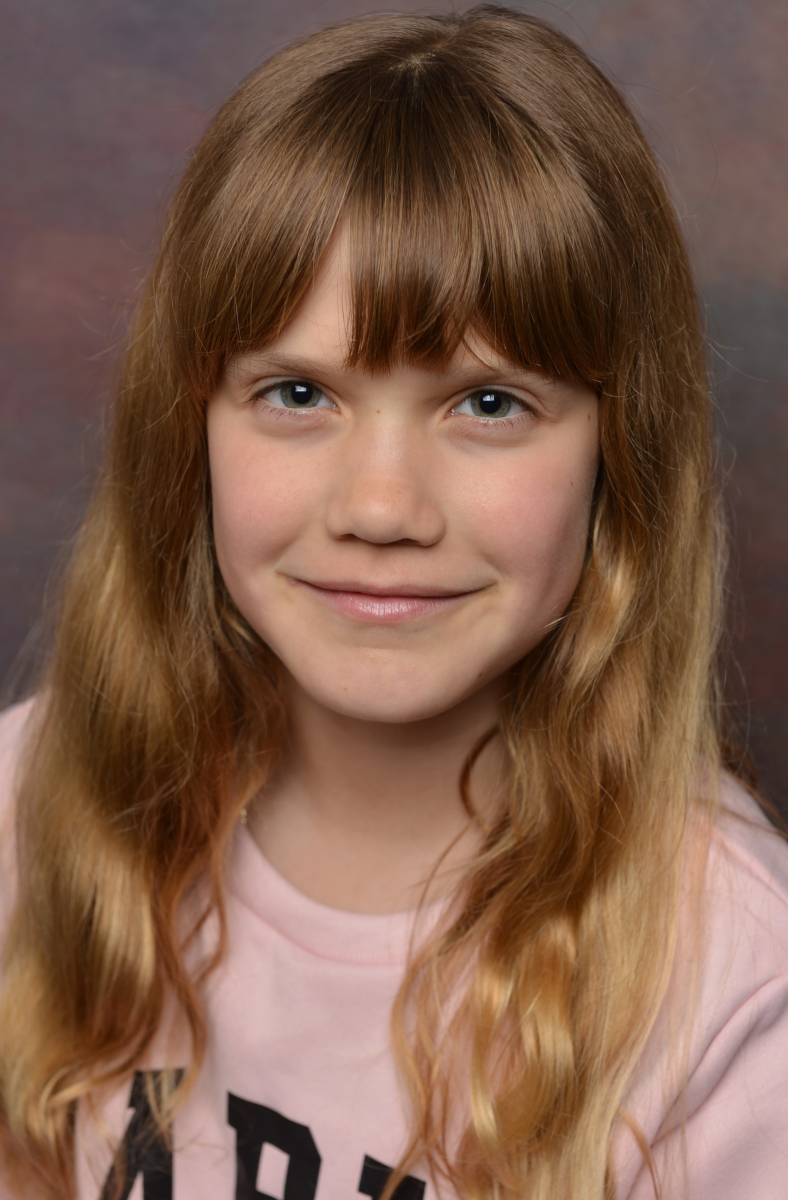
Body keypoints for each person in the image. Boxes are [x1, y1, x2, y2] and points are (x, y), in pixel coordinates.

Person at [0, 7, 786, 1199]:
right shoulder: (35, 801)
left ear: (618, 456)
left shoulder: (729, 980)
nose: (379, 507)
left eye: (487, 404)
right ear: (187, 429)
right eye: (297, 392)